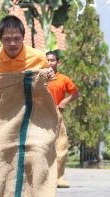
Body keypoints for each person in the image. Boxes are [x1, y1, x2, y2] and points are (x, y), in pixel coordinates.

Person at [46, 50, 80, 188]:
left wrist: (65, 101)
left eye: (52, 60)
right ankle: (44, 179)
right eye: (47, 60)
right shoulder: (40, 78)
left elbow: (75, 93)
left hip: (57, 113)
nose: (49, 63)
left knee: (61, 145)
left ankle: (59, 178)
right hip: (41, 114)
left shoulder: (63, 79)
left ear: (58, 62)